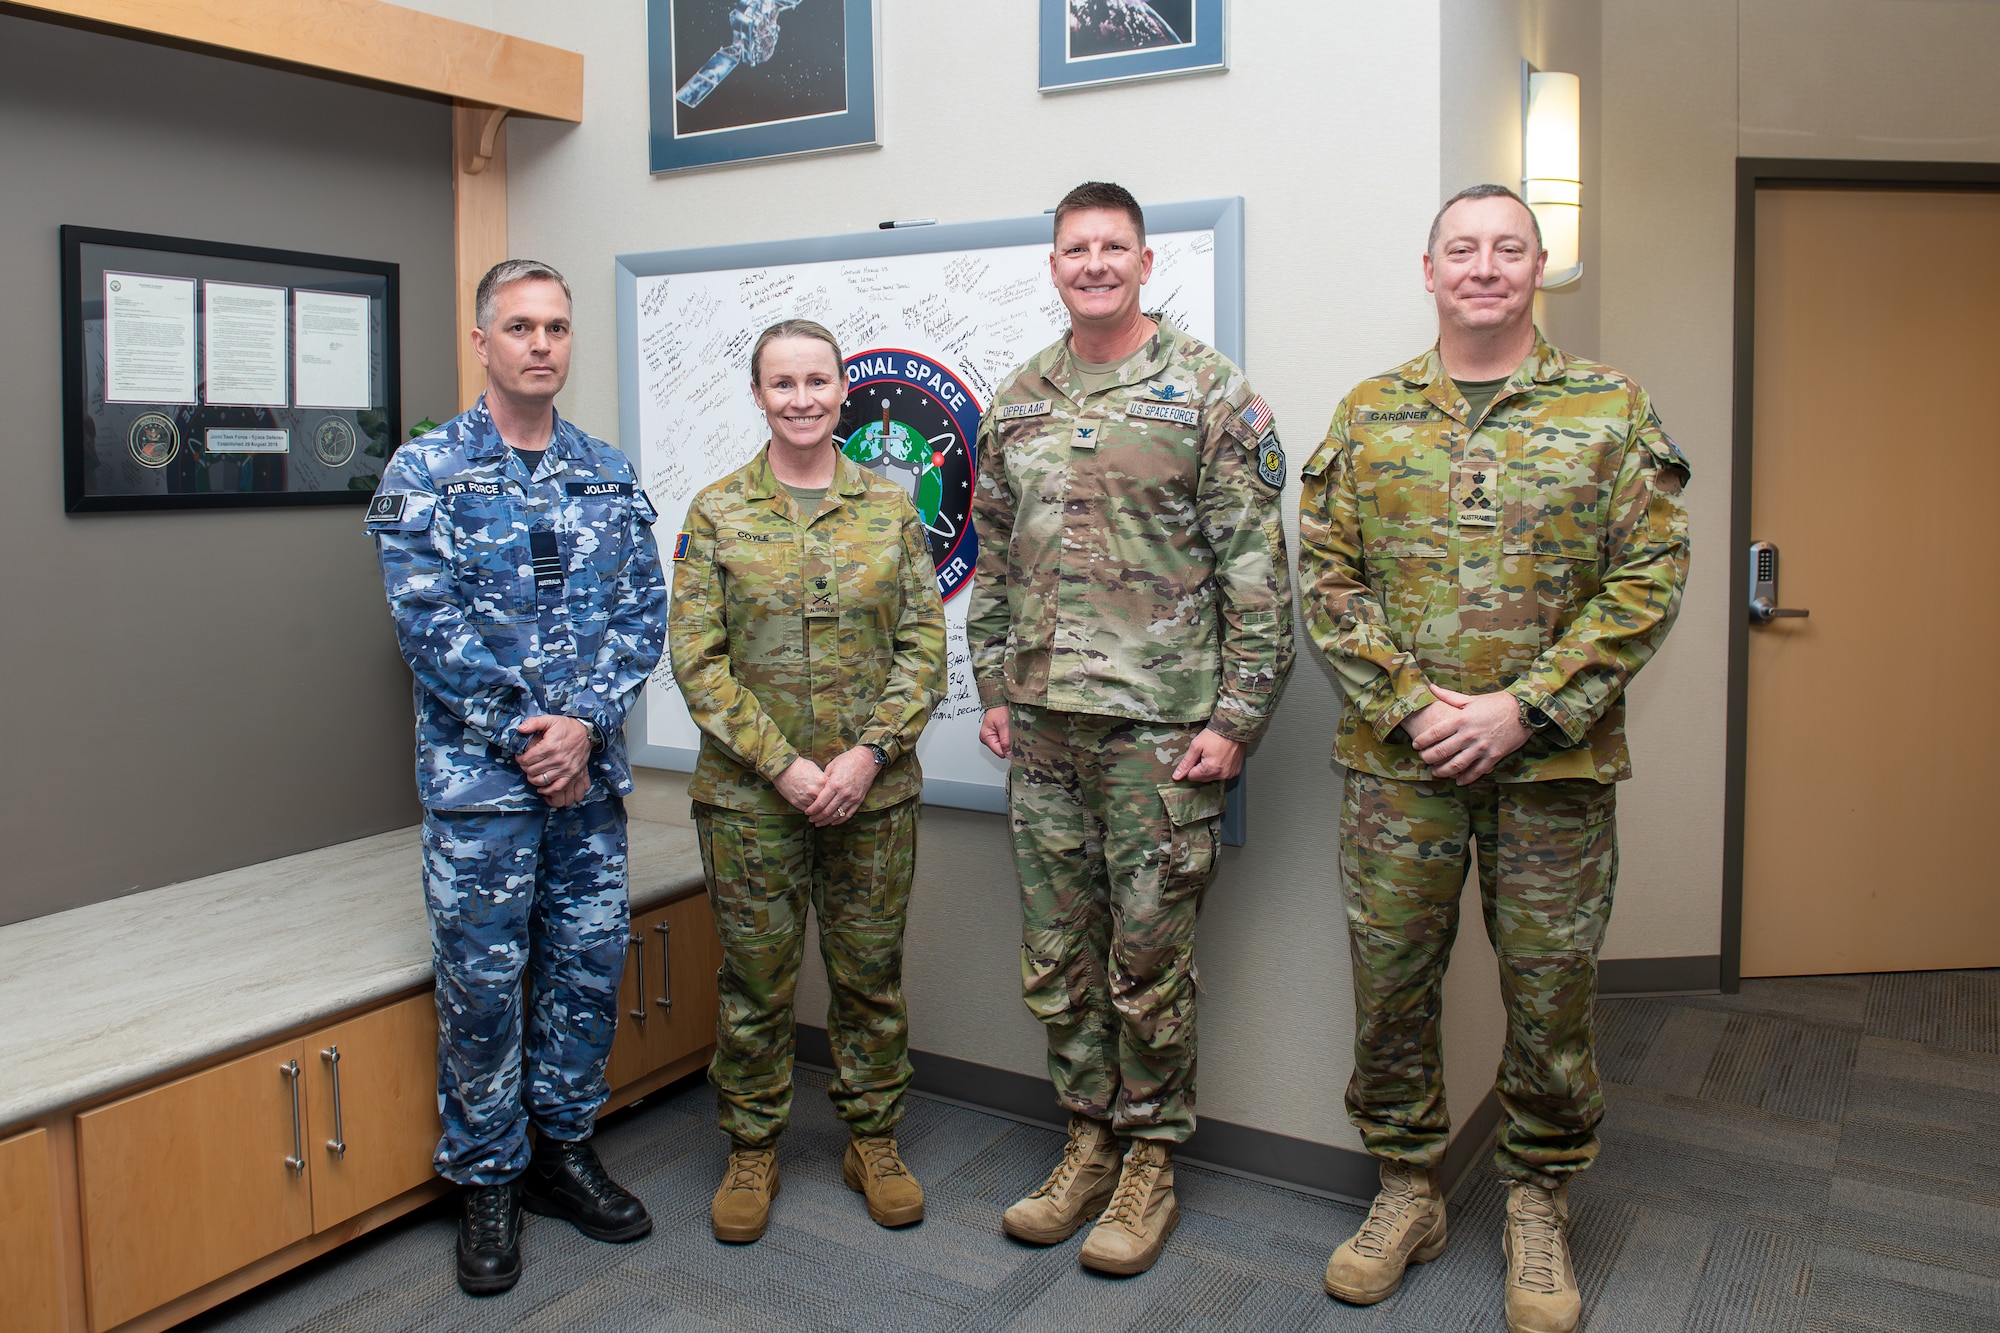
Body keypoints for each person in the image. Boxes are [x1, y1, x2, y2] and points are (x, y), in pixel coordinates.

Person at [1298, 184, 1691, 1333]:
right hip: (1396, 769)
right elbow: (1328, 580)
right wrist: (1418, 706)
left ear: (1537, 268)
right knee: (1390, 987)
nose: (1482, 266)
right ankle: (1406, 1187)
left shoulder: (1608, 409)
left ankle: (1536, 1198)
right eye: (1460, 250)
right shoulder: (1369, 413)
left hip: (1550, 774)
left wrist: (1522, 708)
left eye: (1505, 249)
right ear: (1426, 271)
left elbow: (1647, 580)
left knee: (1548, 993)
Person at [969, 181, 1295, 1276]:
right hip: (1046, 736)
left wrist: (1238, 720)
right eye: (1075, 248)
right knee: (1058, 955)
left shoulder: (1206, 392)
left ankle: (1149, 1158)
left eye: (1113, 247)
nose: (1094, 263)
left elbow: (1257, 573)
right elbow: (993, 561)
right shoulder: (1015, 400)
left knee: (1146, 962)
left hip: (1160, 736)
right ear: (1053, 264)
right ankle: (1086, 1139)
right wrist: (994, 688)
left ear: (1145, 264)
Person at [367, 259, 668, 1296]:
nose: (541, 344)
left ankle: (560, 1152)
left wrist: (580, 727)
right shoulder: (427, 471)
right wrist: (521, 732)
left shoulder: (606, 471)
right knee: (485, 989)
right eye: (521, 327)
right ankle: (487, 1177)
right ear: (483, 342)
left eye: (556, 327)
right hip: (481, 793)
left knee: (585, 972)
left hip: (585, 787)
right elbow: (425, 624)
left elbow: (643, 614)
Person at [669, 318, 947, 1245]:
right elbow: (698, 661)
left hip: (875, 796)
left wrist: (866, 755)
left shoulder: (891, 510)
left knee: (871, 978)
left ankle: (873, 1136)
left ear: (842, 391)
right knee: (756, 981)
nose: (801, 398)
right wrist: (785, 766)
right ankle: (752, 1145)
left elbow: (923, 646)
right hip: (752, 802)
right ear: (758, 395)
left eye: (817, 381)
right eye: (782, 383)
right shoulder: (716, 512)